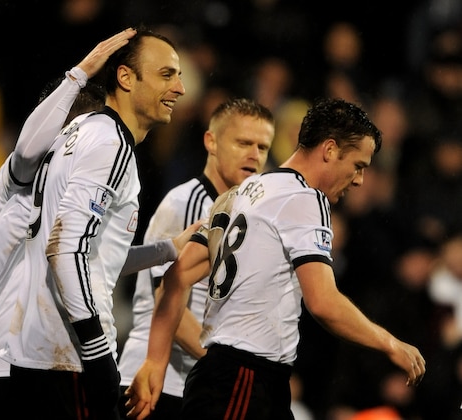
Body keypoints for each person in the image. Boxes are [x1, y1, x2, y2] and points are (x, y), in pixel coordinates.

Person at [124, 98, 427, 420]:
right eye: (358, 165)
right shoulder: (306, 198)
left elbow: (179, 274)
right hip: (245, 378)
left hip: (221, 375)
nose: (359, 180)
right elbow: (323, 302)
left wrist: (154, 361)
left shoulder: (242, 191)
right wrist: (390, 344)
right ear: (329, 150)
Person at [0, 28, 137, 417]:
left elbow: (86, 257)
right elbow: (18, 238)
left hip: (1, 358)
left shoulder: (45, 186)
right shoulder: (27, 176)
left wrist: (164, 251)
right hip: (23, 352)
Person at [0, 27, 185, 420]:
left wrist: (167, 250)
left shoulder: (78, 132)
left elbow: (93, 253)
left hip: (36, 352)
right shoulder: (110, 144)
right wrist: (98, 352)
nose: (180, 88)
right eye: (167, 74)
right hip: (70, 357)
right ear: (126, 77)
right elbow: (65, 248)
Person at [117, 98, 275, 418]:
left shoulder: (246, 215)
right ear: (211, 141)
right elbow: (170, 300)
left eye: (262, 146)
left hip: (201, 385)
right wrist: (231, 366)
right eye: (243, 142)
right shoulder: (187, 204)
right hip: (161, 385)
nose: (253, 155)